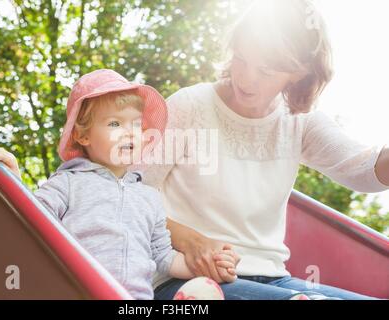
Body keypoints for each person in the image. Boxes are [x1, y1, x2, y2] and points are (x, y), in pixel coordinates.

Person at [138, 0, 389, 300]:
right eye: (241, 58)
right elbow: (129, 195)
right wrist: (189, 240)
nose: (245, 77)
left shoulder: (299, 122)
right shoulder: (190, 106)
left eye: (266, 70)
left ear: (298, 72)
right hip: (184, 278)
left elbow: (363, 170)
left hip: (274, 280)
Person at [0, 69, 238, 300]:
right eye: (115, 123)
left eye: (136, 124)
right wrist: (12, 179)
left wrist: (207, 265)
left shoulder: (148, 197)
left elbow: (163, 258)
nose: (129, 132)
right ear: (83, 135)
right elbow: (29, 218)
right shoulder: (68, 183)